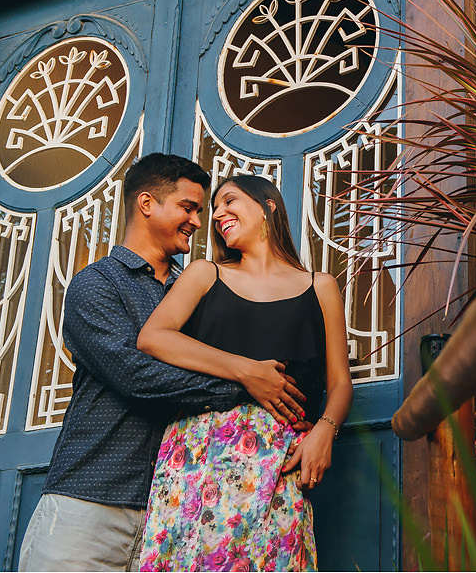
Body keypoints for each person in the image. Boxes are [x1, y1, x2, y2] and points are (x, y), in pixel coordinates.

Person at [19, 155, 307, 572]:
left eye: (199, 211)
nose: (197, 220)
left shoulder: (205, 291)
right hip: (89, 498)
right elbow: (136, 376)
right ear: (147, 203)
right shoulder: (96, 284)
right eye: (188, 208)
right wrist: (246, 385)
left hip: (179, 508)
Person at [136, 174, 353, 571]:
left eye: (228, 201)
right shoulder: (206, 274)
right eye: (213, 209)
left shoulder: (320, 287)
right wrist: (247, 372)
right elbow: (153, 338)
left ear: (268, 205)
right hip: (197, 452)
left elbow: (340, 382)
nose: (217, 215)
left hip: (279, 458)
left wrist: (326, 430)